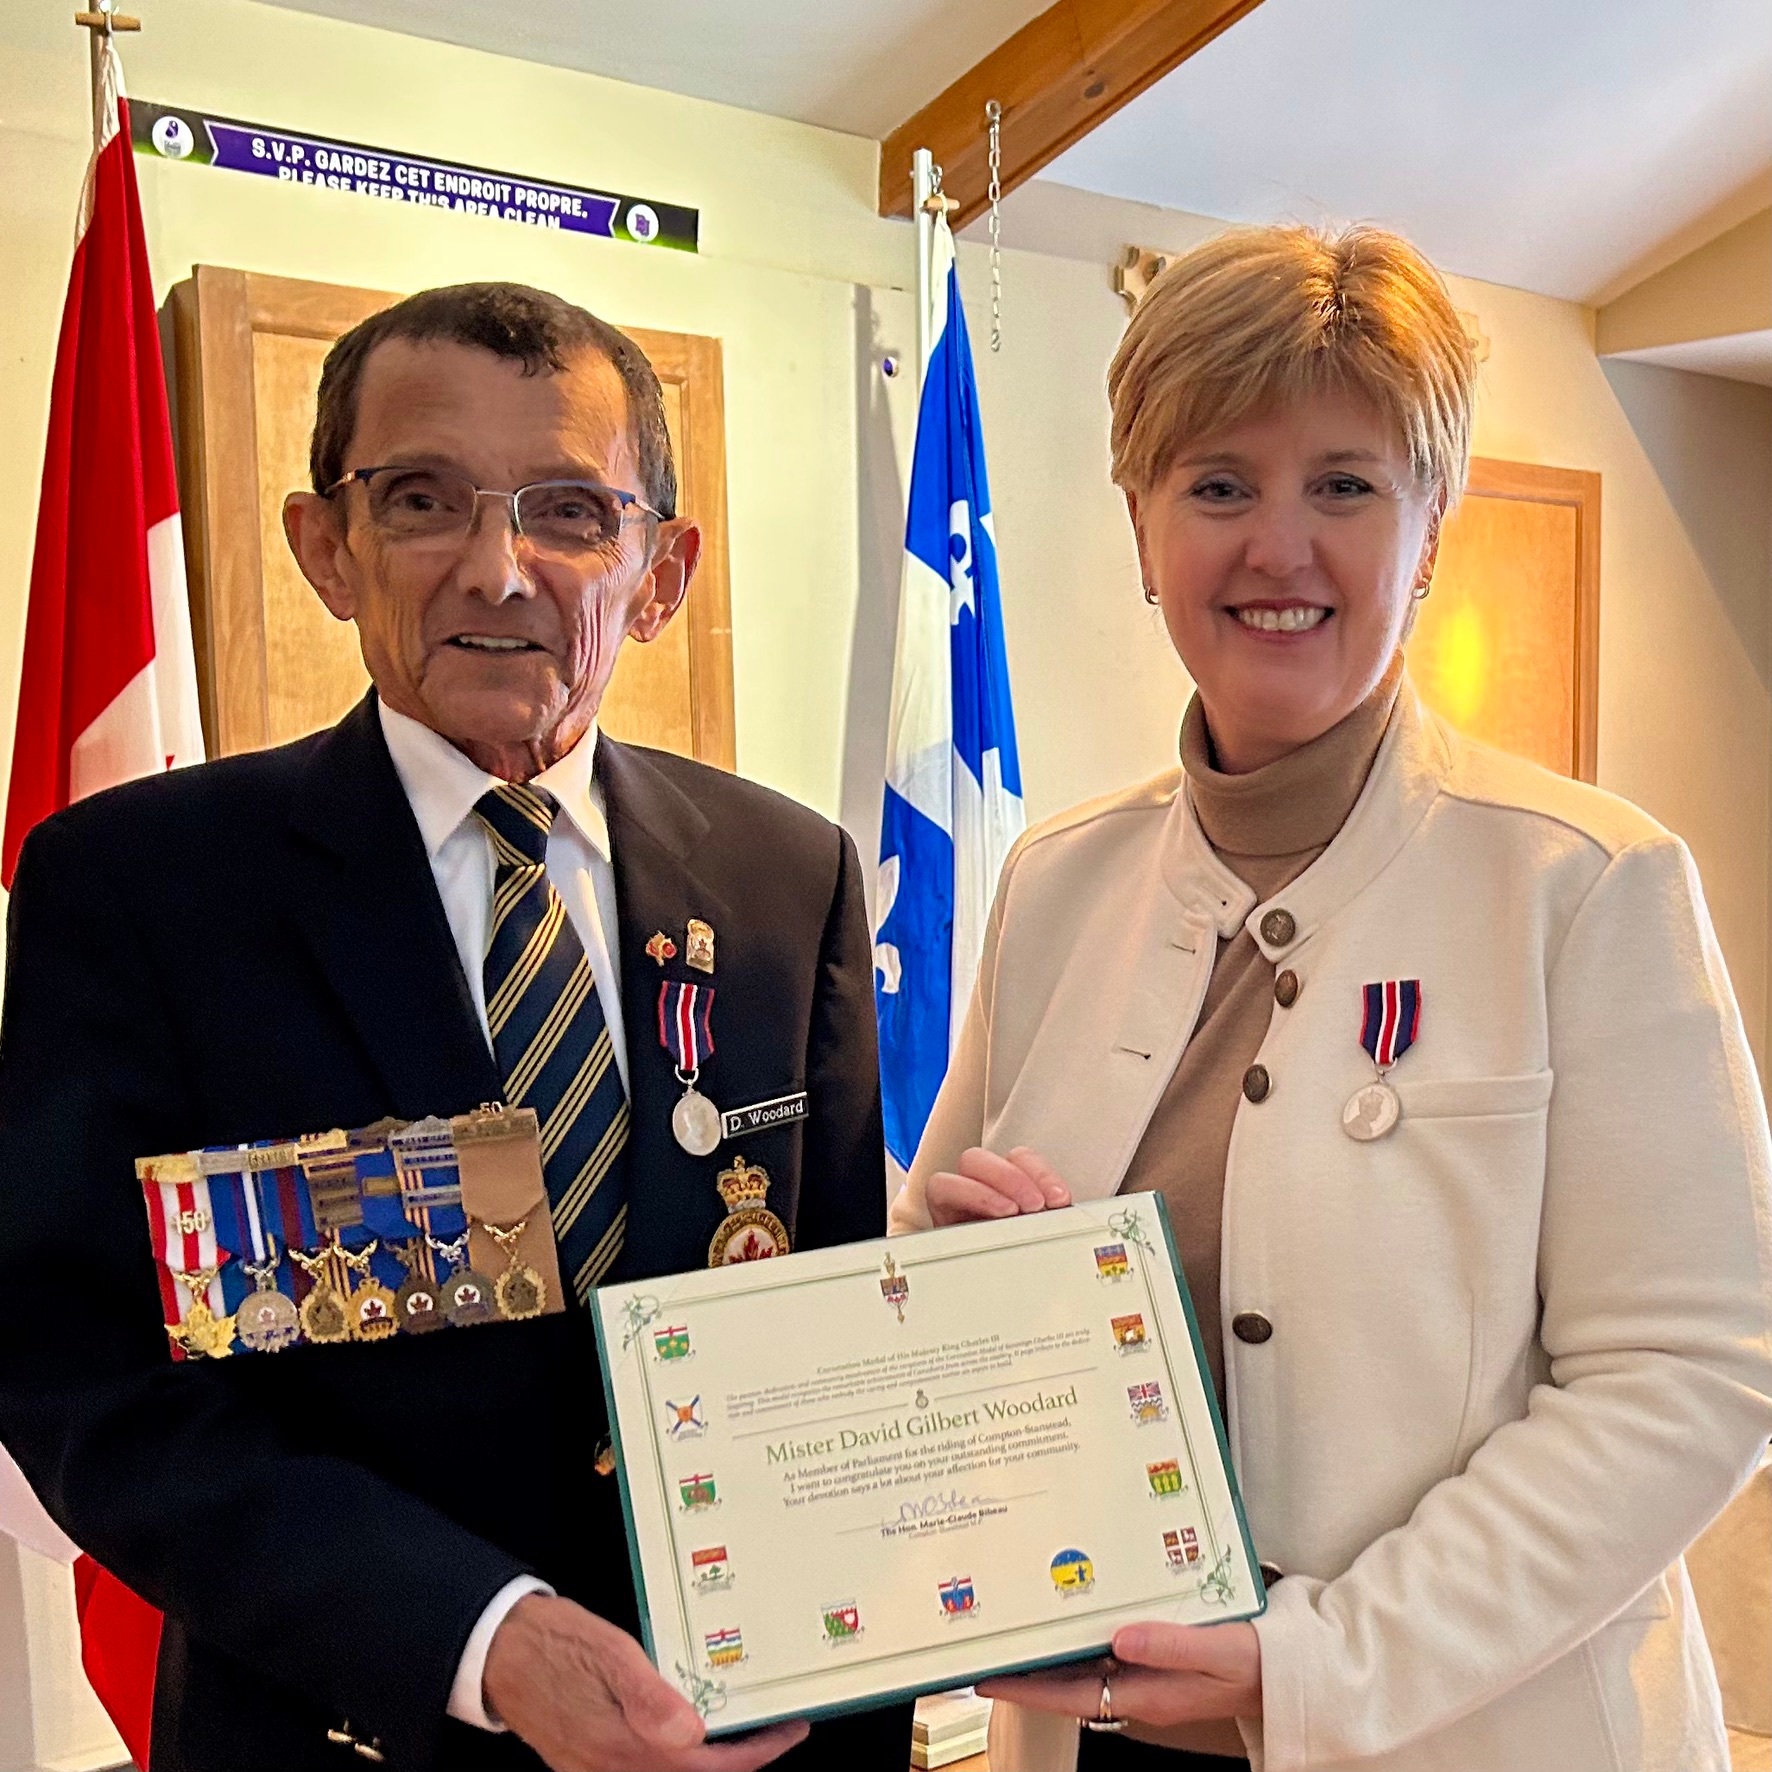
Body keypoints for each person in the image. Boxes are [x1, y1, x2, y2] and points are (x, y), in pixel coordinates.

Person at [890, 225, 1772, 1772]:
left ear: (1428, 532)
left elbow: (1694, 1378)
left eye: (1346, 486)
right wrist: (966, 1283)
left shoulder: (1586, 884)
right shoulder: (1056, 885)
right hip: (1100, 1729)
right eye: (1219, 486)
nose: (1278, 549)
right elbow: (926, 1265)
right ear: (1143, 528)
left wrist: (1312, 1664)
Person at [0, 283, 910, 1772]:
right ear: (326, 547)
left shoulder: (785, 877)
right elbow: (90, 1379)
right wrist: (481, 1638)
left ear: (661, 573)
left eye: (571, 512)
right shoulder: (144, 890)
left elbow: (830, 1310)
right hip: (344, 1732)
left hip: (741, 1739)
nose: (498, 569)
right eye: (423, 500)